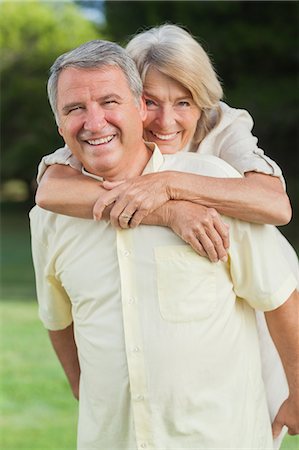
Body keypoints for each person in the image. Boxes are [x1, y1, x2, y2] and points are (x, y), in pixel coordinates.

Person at [34, 25, 299, 447]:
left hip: (240, 368)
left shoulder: (223, 154)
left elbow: (276, 211)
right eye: (154, 102)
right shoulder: (79, 160)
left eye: (183, 103)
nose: (165, 120)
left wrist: (172, 184)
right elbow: (49, 194)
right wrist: (170, 211)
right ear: (141, 101)